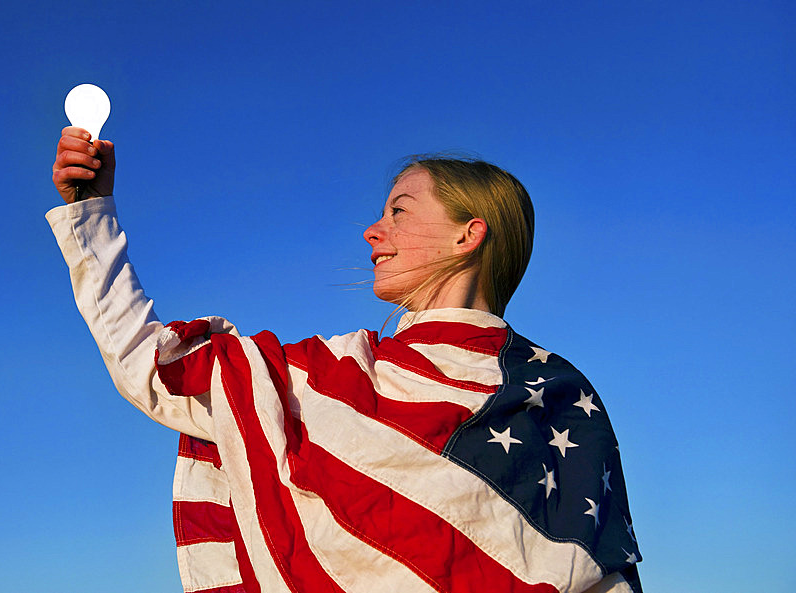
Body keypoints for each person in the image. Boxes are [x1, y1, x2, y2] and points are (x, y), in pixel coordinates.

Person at [48, 127, 643, 593]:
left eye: (399, 211)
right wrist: (91, 216)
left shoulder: (557, 393)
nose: (371, 231)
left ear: (469, 235)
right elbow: (154, 366)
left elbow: (600, 571)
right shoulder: (333, 376)